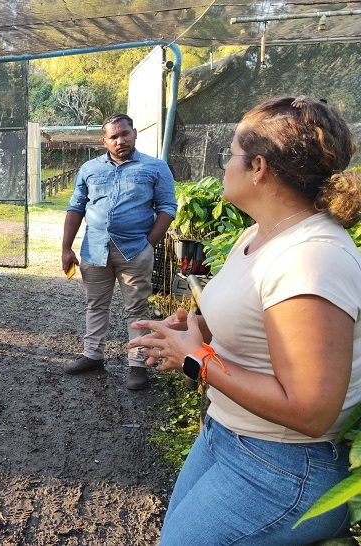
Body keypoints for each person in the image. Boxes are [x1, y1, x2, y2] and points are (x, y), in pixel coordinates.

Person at [128, 96, 361, 544]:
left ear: (258, 167)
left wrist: (196, 359)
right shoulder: (260, 234)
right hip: (228, 432)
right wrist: (194, 330)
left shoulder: (311, 259)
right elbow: (250, 325)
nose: (224, 166)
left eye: (229, 154)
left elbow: (311, 411)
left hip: (284, 467)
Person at [61, 113, 177, 390]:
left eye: (124, 134)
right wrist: (66, 248)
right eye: (113, 136)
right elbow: (76, 207)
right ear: (104, 141)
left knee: (136, 307)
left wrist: (148, 243)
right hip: (94, 250)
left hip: (135, 249)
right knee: (95, 304)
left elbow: (167, 208)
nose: (120, 140)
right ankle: (92, 355)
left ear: (134, 133)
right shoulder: (89, 169)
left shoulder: (155, 168)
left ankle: (137, 365)